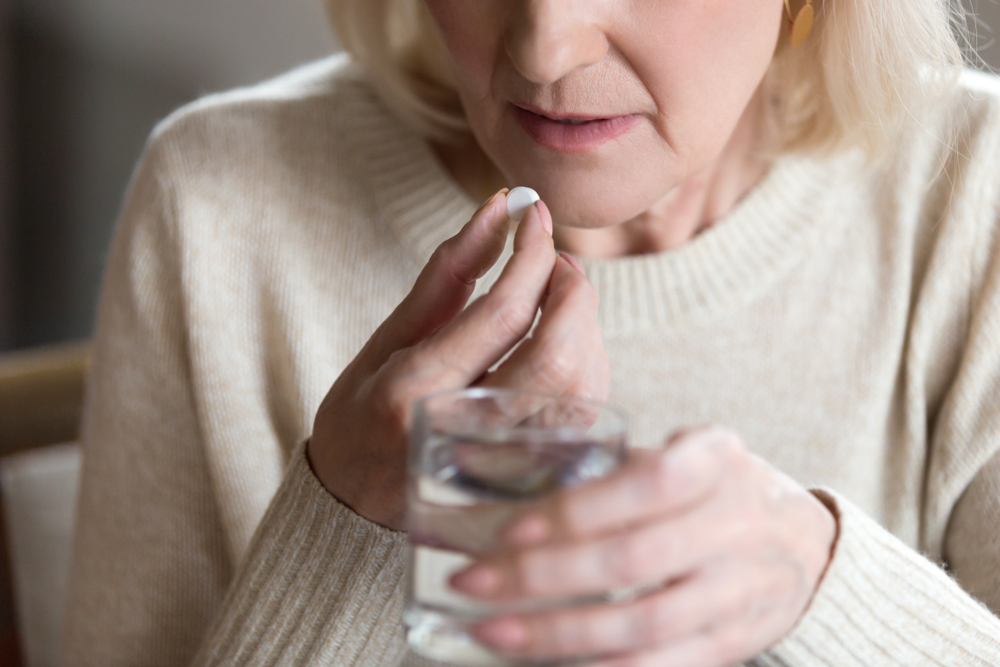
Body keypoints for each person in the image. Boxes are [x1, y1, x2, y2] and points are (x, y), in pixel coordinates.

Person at [62, 0, 1000, 665]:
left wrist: (819, 581)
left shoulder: (971, 190)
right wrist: (346, 523)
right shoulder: (221, 202)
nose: (546, 43)